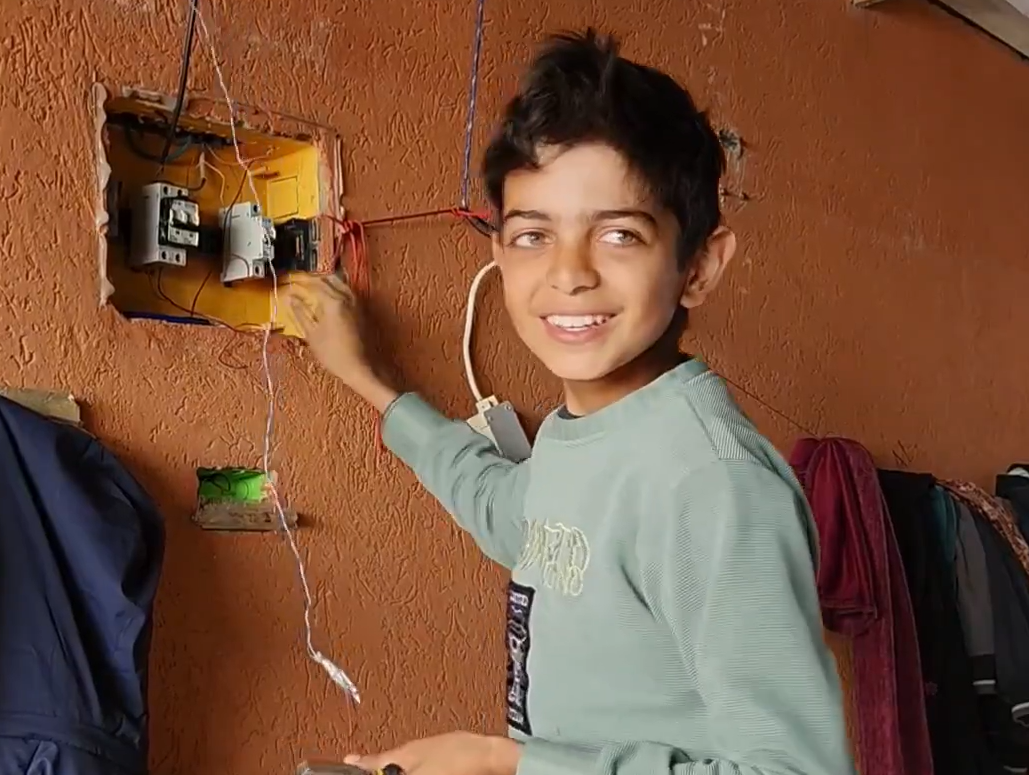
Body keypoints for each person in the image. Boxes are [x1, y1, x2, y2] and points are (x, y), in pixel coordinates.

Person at [287, 28, 853, 775]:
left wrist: (508, 763)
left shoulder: (714, 485)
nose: (569, 273)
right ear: (499, 254)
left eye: (619, 235)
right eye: (533, 236)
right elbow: (513, 513)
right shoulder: (587, 430)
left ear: (699, 266)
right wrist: (366, 378)